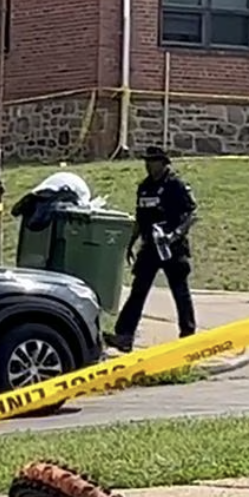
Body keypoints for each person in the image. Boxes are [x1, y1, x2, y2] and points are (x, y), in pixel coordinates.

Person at [105, 145, 198, 351]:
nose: (148, 165)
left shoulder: (175, 185)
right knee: (138, 290)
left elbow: (191, 214)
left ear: (163, 163)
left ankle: (188, 337)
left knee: (180, 291)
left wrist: (175, 235)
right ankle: (124, 335)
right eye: (146, 161)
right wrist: (130, 243)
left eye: (152, 161)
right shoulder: (144, 187)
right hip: (149, 246)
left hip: (172, 246)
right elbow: (140, 218)